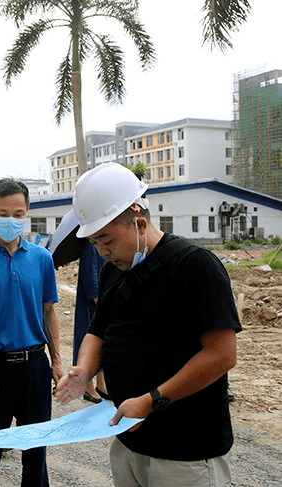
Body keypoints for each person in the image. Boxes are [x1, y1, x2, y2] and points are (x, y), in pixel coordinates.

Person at [55, 163, 240, 487]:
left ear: (139, 222)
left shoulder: (195, 266)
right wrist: (83, 369)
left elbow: (221, 355)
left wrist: (152, 400)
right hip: (129, 444)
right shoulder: (114, 269)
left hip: (186, 455)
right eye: (95, 242)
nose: (102, 251)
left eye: (108, 240)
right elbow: (98, 331)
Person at [0, 178, 63, 487]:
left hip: (35, 366)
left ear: (27, 213)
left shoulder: (42, 259)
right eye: (3, 213)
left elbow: (49, 311)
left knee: (35, 453)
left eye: (18, 214)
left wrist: (57, 362)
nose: (11, 220)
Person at [74, 241, 107, 403]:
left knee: (102, 342)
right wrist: (97, 300)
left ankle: (101, 384)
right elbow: (90, 277)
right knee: (86, 340)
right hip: (91, 304)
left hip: (103, 302)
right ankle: (87, 387)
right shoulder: (89, 246)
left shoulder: (103, 244)